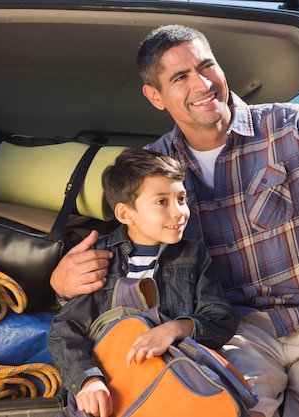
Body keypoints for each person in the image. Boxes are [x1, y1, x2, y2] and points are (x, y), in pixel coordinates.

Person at [50, 24, 299, 417]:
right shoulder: (151, 171)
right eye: (181, 77)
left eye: (207, 67)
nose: (203, 83)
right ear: (155, 95)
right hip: (227, 335)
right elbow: (127, 259)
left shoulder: (286, 126)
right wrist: (62, 286)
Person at [48, 147, 239, 417]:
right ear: (125, 214)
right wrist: (88, 381)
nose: (179, 212)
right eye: (162, 201)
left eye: (181, 198)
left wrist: (175, 328)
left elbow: (221, 318)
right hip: (112, 378)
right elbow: (65, 331)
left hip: (174, 373)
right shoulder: (99, 259)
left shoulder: (193, 254)